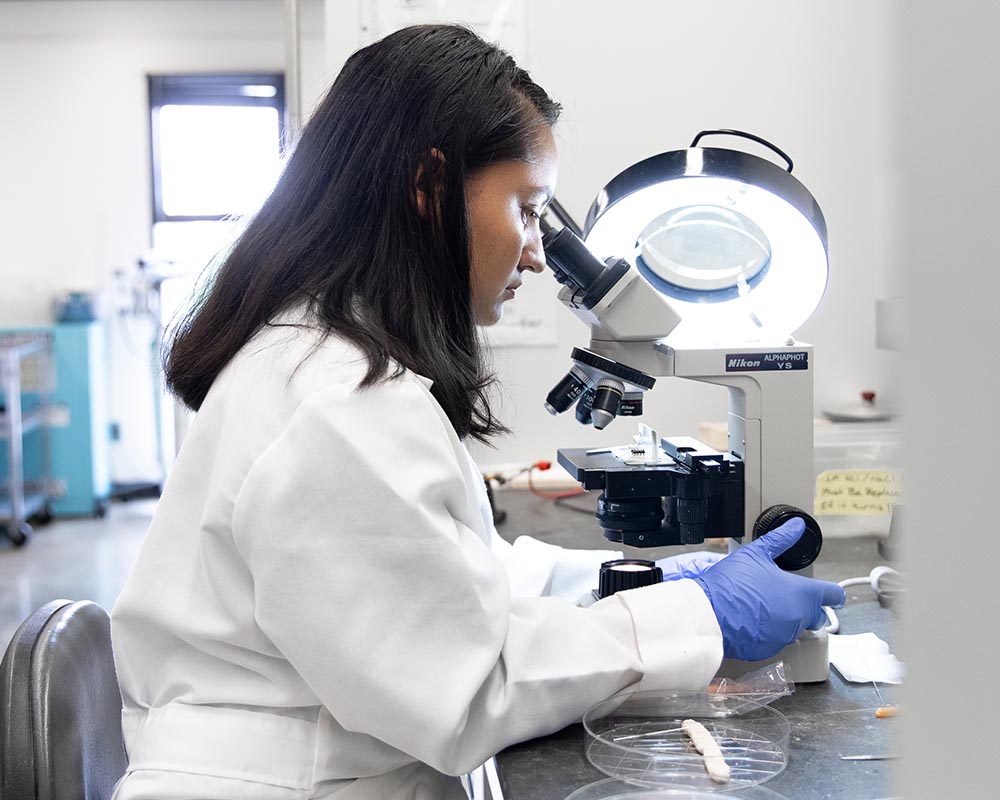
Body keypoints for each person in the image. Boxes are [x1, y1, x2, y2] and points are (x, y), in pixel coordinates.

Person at [110, 24, 846, 800]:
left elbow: (458, 581)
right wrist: (698, 617)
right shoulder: (337, 404)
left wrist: (645, 582)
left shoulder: (325, 353)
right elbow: (466, 688)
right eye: (526, 209)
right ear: (430, 188)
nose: (535, 251)